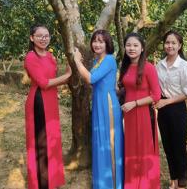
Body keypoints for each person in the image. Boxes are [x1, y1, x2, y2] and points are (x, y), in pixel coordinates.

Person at [73, 30, 124, 189]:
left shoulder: (109, 59)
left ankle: (113, 184)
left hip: (107, 105)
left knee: (108, 143)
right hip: (98, 103)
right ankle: (101, 183)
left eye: (101, 41)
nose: (97, 44)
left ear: (107, 43)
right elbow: (92, 82)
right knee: (99, 142)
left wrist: (76, 61)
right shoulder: (97, 61)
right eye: (95, 41)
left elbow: (90, 78)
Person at [24, 24, 71, 189]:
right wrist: (66, 77)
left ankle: (52, 179)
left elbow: (52, 78)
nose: (43, 39)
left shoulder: (51, 56)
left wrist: (69, 69)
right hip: (39, 102)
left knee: (52, 140)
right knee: (41, 143)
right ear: (32, 38)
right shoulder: (30, 57)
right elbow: (43, 83)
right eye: (39, 36)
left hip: (51, 101)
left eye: (46, 36)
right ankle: (42, 183)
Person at [155, 30, 187, 189]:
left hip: (177, 109)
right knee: (168, 146)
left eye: (173, 43)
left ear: (179, 46)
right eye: (167, 42)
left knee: (179, 146)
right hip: (163, 110)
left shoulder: (185, 67)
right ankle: (173, 180)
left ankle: (182, 182)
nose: (170, 45)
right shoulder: (159, 65)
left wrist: (167, 102)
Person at [119, 33, 161, 189]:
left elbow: (156, 95)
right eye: (128, 45)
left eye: (135, 45)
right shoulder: (126, 66)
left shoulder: (149, 68)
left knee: (144, 151)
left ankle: (145, 185)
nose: (131, 48)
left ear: (142, 48)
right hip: (128, 115)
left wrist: (135, 103)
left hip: (144, 114)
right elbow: (125, 88)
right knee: (131, 150)